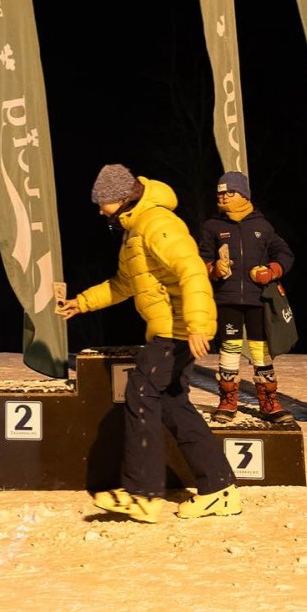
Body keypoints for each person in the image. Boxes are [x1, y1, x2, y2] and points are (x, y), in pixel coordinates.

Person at [60, 164, 241, 524]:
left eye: (103, 203)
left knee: (141, 390)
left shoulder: (157, 223)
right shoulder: (134, 230)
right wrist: (82, 302)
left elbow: (192, 270)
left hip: (177, 329)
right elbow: (123, 284)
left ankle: (143, 493)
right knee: (174, 404)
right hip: (171, 328)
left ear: (121, 198)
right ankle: (219, 489)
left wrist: (198, 325)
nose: (100, 211)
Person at [198, 171, 295, 424]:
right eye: (220, 193)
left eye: (229, 192)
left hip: (258, 300)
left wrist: (271, 271)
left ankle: (269, 402)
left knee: (261, 350)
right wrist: (214, 269)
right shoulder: (212, 226)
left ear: (243, 194)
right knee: (229, 348)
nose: (223, 197)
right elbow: (201, 260)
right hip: (227, 299)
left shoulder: (262, 226)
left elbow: (285, 254)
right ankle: (227, 400)